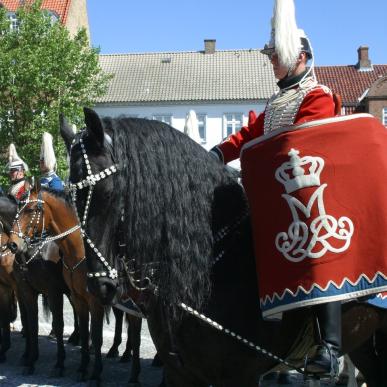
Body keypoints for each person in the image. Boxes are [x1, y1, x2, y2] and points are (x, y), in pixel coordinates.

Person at [210, 0, 340, 379]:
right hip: (271, 193)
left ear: (300, 57)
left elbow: (297, 144)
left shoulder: (318, 96)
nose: (271, 62)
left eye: (277, 56)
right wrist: (217, 153)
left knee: (315, 243)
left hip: (307, 195)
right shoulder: (278, 100)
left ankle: (329, 345)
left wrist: (256, 158)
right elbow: (249, 135)